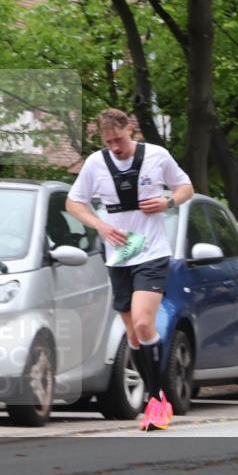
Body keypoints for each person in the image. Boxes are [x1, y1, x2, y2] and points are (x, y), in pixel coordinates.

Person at [66, 109, 194, 430]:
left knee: (142, 320)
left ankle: (157, 399)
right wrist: (100, 225)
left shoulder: (156, 156)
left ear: (130, 129)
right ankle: (156, 399)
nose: (115, 147)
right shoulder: (97, 162)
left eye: (119, 140)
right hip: (119, 254)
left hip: (151, 251)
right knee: (133, 333)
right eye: (109, 142)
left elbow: (185, 188)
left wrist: (168, 202)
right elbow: (74, 202)